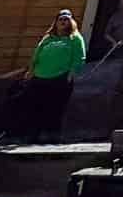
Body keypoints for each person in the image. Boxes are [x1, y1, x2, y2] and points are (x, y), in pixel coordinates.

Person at [23, 8, 86, 140]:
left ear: (71, 22)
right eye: (61, 19)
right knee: (34, 107)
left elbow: (79, 57)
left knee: (55, 108)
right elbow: (36, 54)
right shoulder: (48, 38)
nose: (63, 22)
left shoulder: (75, 38)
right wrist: (31, 70)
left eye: (66, 20)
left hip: (60, 78)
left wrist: (73, 73)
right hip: (39, 77)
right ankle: (33, 135)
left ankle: (52, 137)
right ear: (56, 22)